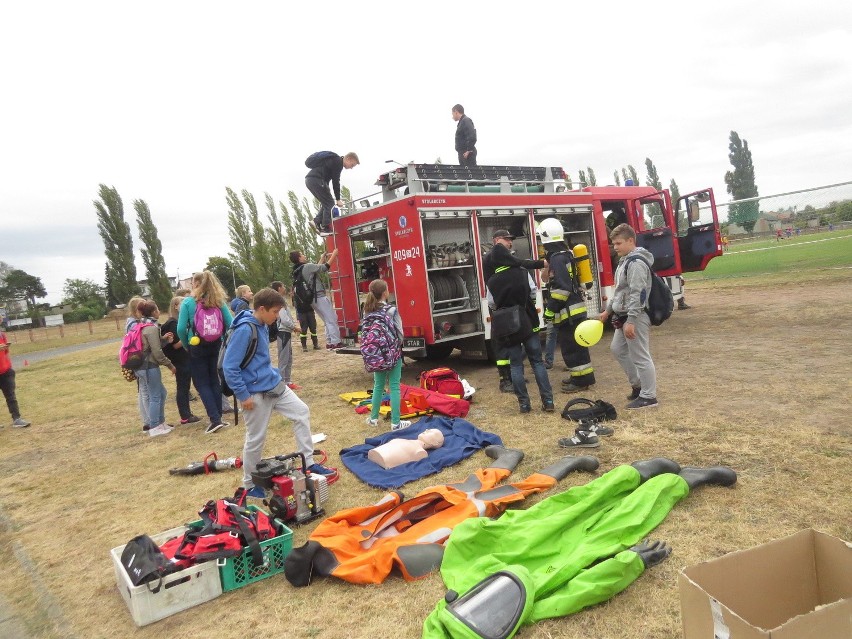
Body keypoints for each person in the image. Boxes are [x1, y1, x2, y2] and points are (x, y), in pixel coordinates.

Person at [423, 459, 736, 638]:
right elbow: (585, 589)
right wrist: (629, 563)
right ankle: (682, 481)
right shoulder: (527, 609)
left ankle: (635, 472)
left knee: (573, 505)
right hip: (569, 557)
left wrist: (500, 528)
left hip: (527, 538)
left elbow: (465, 535)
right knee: (623, 522)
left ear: (450, 603)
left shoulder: (459, 571)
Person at [222, 287, 335, 498]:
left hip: (274, 385)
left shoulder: (262, 324)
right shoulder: (245, 329)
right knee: (256, 438)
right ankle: (249, 485)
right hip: (254, 393)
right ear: (262, 309)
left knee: (301, 411)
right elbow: (230, 367)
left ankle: (308, 464)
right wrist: (243, 395)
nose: (277, 317)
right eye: (275, 312)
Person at [486, 245, 554, 413]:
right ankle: (548, 401)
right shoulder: (522, 272)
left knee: (516, 366)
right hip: (528, 322)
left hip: (509, 328)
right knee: (537, 362)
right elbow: (532, 293)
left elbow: (491, 304)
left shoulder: (492, 281)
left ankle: (524, 404)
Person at [599, 223, 658, 409]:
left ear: (631, 241)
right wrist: (608, 311)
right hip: (624, 315)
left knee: (640, 355)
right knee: (618, 349)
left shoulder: (636, 263)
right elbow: (620, 291)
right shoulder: (625, 261)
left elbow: (638, 293)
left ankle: (649, 396)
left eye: (618, 243)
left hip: (636, 316)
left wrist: (632, 320)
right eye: (613, 243)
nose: (614, 247)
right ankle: (638, 386)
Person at [482, 229, 545, 392]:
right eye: (506, 239)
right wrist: (541, 264)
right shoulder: (494, 257)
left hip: (501, 305)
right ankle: (505, 380)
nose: (510, 242)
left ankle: (513, 374)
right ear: (496, 240)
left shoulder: (501, 257)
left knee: (512, 342)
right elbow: (521, 264)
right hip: (501, 306)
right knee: (502, 344)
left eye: (511, 239)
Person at [538, 218, 596, 394]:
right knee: (578, 346)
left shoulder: (556, 259)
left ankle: (581, 381)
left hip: (568, 312)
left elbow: (561, 289)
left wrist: (550, 310)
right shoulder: (567, 254)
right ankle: (579, 377)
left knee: (571, 347)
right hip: (575, 308)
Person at [177, 271, 234, 434]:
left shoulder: (188, 303)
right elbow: (230, 323)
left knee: (202, 383)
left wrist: (187, 344)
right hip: (216, 344)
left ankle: (214, 419)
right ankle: (219, 417)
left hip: (196, 345)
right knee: (214, 380)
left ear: (195, 284)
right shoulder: (218, 301)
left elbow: (181, 328)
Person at [362, 279, 411, 431]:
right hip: (392, 352)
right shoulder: (392, 310)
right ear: (385, 293)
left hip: (376, 355)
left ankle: (373, 418)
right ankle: (396, 423)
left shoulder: (367, 310)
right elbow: (400, 333)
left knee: (378, 385)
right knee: (394, 386)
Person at [136, 300, 177, 437]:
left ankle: (160, 423)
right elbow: (157, 353)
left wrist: (163, 339)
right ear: (154, 312)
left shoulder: (143, 325)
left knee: (161, 393)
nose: (159, 311)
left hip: (143, 366)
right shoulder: (151, 328)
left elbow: (152, 345)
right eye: (158, 309)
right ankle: (154, 426)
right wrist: (170, 365)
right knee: (155, 395)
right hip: (149, 366)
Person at [290, 249, 342, 349]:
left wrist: (322, 258)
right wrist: (334, 255)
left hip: (311, 299)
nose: (304, 256)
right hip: (319, 296)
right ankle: (336, 342)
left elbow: (315, 270)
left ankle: (330, 342)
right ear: (299, 258)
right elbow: (324, 268)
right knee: (331, 319)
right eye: (302, 254)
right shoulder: (307, 266)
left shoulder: (298, 270)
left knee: (326, 320)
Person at [161, 295, 200, 425]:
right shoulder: (172, 324)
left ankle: (186, 414)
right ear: (176, 307)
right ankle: (185, 415)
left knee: (184, 386)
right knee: (183, 387)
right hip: (180, 360)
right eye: (181, 303)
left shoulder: (175, 322)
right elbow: (176, 344)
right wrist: (191, 340)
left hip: (182, 359)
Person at [305, 151, 360, 234]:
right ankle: (325, 227)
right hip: (317, 180)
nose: (351, 168)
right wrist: (338, 199)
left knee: (326, 203)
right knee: (330, 204)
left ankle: (316, 221)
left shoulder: (334, 160)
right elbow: (336, 181)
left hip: (310, 180)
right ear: (348, 159)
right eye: (352, 165)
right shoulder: (338, 162)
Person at [270, 281, 300, 390]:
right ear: (279, 288)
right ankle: (281, 384)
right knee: (283, 359)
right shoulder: (278, 302)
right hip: (282, 333)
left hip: (286, 333)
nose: (284, 287)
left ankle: (287, 382)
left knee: (289, 358)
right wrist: (294, 327)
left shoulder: (281, 301)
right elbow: (284, 319)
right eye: (283, 286)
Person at [367, 428, 444, 469]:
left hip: (383, 460)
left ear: (435, 443)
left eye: (431, 432)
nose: (426, 430)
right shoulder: (410, 442)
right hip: (375, 453)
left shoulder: (420, 452)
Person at [0, 326, 31, 428]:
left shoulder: (2, 334)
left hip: (6, 371)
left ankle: (17, 419)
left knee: (11, 396)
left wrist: (9, 367)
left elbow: (6, 352)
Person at [294, 283, 320, 352]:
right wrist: (297, 314)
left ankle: (315, 344)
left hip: (308, 310)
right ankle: (304, 346)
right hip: (302, 312)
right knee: (304, 330)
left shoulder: (306, 285)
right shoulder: (296, 287)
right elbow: (295, 302)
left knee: (313, 328)